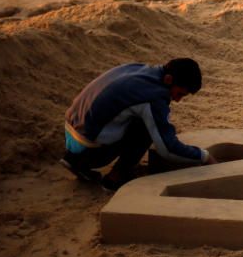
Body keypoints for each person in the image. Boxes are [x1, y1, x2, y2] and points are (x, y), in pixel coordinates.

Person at [61, 58, 217, 192]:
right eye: (179, 94)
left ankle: (74, 160)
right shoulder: (153, 97)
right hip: (92, 149)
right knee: (147, 127)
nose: (177, 100)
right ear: (169, 80)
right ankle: (115, 178)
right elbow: (167, 148)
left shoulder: (138, 69)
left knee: (134, 114)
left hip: (71, 133)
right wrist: (204, 156)